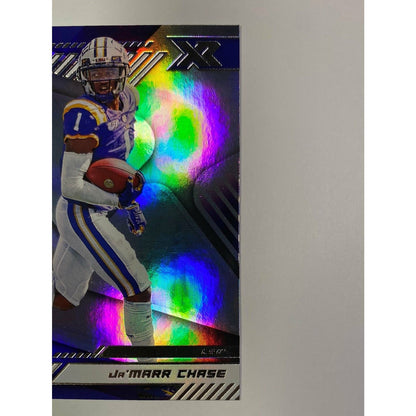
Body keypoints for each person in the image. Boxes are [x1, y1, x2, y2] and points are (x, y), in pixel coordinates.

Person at [53, 37, 154, 349]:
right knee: (138, 287)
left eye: (109, 71)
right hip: (80, 211)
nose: (102, 80)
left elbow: (122, 148)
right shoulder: (83, 114)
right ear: (84, 75)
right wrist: (117, 200)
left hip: (98, 206)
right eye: (95, 73)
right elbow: (71, 186)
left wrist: (125, 194)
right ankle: (149, 364)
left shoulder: (130, 96)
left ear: (122, 72)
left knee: (65, 298)